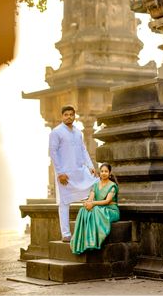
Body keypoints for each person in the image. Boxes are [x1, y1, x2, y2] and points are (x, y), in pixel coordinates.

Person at [49, 105, 98, 242]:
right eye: (66, 114)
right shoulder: (56, 132)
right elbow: (53, 153)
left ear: (74, 116)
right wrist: (59, 173)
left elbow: (83, 150)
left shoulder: (78, 132)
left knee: (93, 190)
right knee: (64, 203)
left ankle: (90, 228)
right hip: (65, 173)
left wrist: (90, 166)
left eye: (71, 114)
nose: (69, 117)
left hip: (79, 171)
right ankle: (66, 234)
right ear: (62, 116)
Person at [70, 162, 120, 254]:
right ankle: (83, 241)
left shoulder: (112, 185)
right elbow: (91, 198)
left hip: (111, 210)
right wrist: (87, 203)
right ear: (99, 173)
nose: (104, 173)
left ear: (109, 173)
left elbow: (107, 201)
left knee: (96, 210)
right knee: (83, 210)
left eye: (106, 171)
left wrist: (93, 204)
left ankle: (93, 242)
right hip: (99, 207)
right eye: (102, 171)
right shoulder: (96, 185)